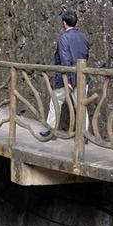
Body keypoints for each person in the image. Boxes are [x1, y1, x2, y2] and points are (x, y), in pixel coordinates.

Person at [40, 9, 90, 138]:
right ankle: (83, 134)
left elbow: (65, 60)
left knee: (56, 101)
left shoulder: (64, 38)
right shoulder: (83, 37)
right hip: (82, 77)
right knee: (81, 106)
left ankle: (51, 130)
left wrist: (69, 81)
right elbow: (85, 56)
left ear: (64, 23)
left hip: (66, 79)